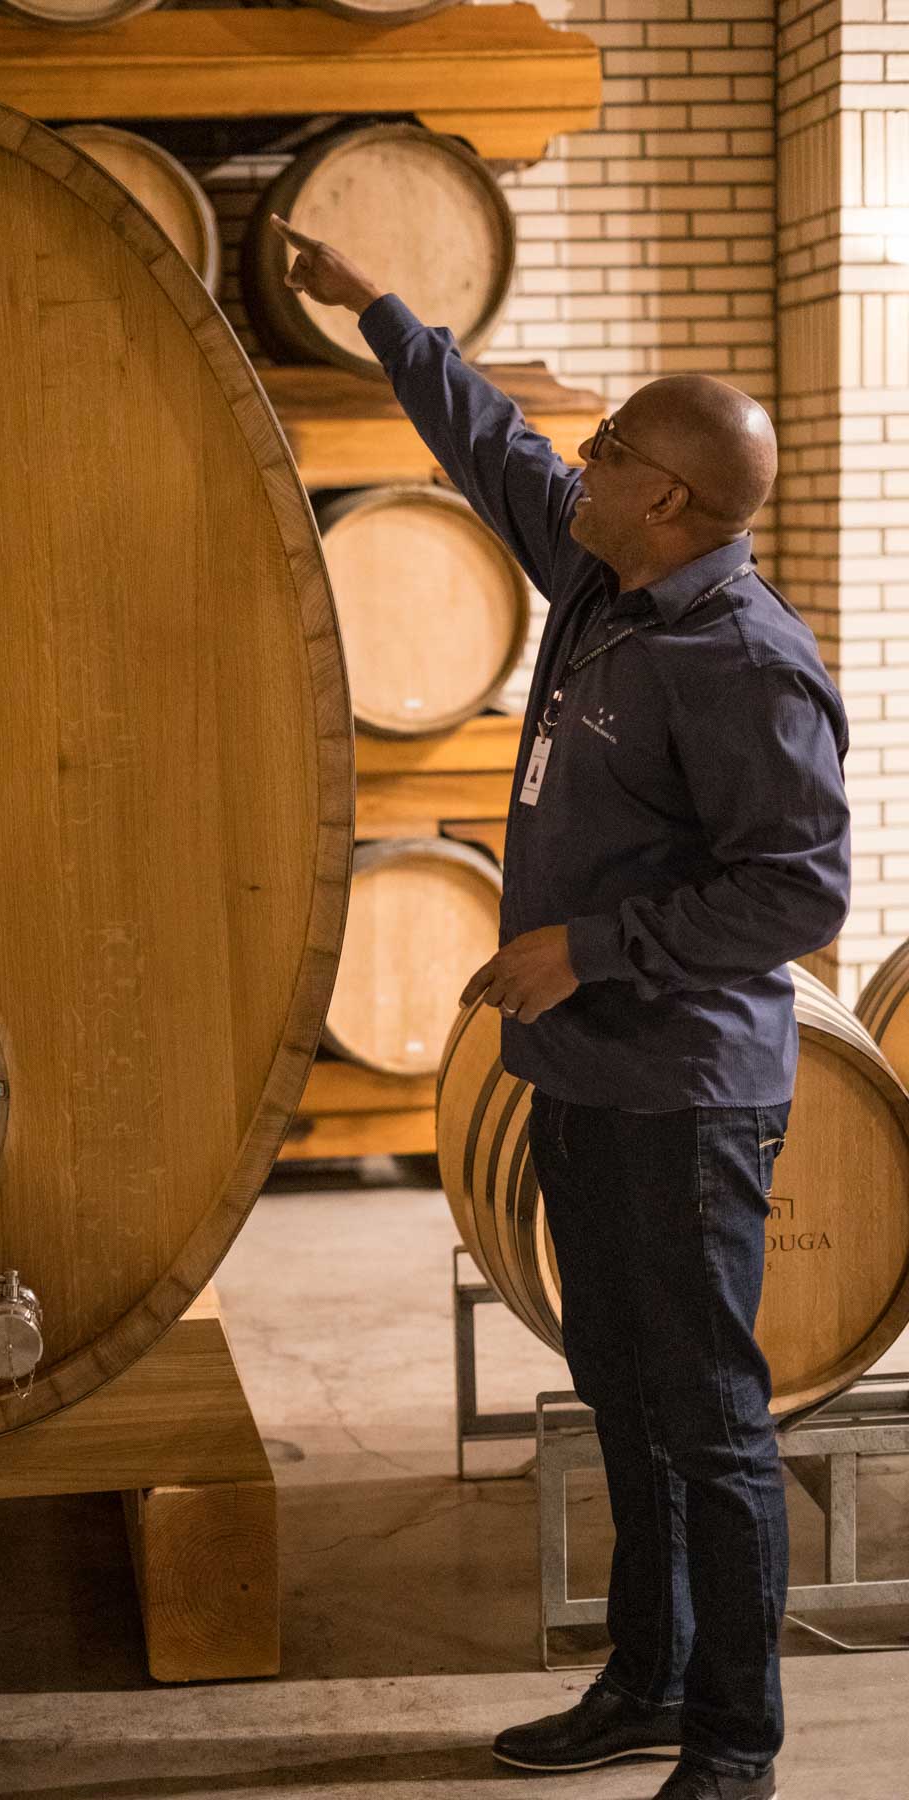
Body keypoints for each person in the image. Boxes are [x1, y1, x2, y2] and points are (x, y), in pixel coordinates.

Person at [271, 214, 851, 1800]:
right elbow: (495, 449)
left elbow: (801, 893)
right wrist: (380, 304)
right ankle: (649, 1678)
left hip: (682, 1091)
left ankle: (737, 1743)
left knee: (712, 1418)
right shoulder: (611, 580)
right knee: (621, 1391)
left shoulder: (745, 661)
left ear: (667, 497)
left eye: (610, 451)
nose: (577, 463)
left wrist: (591, 949)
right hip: (591, 1081)